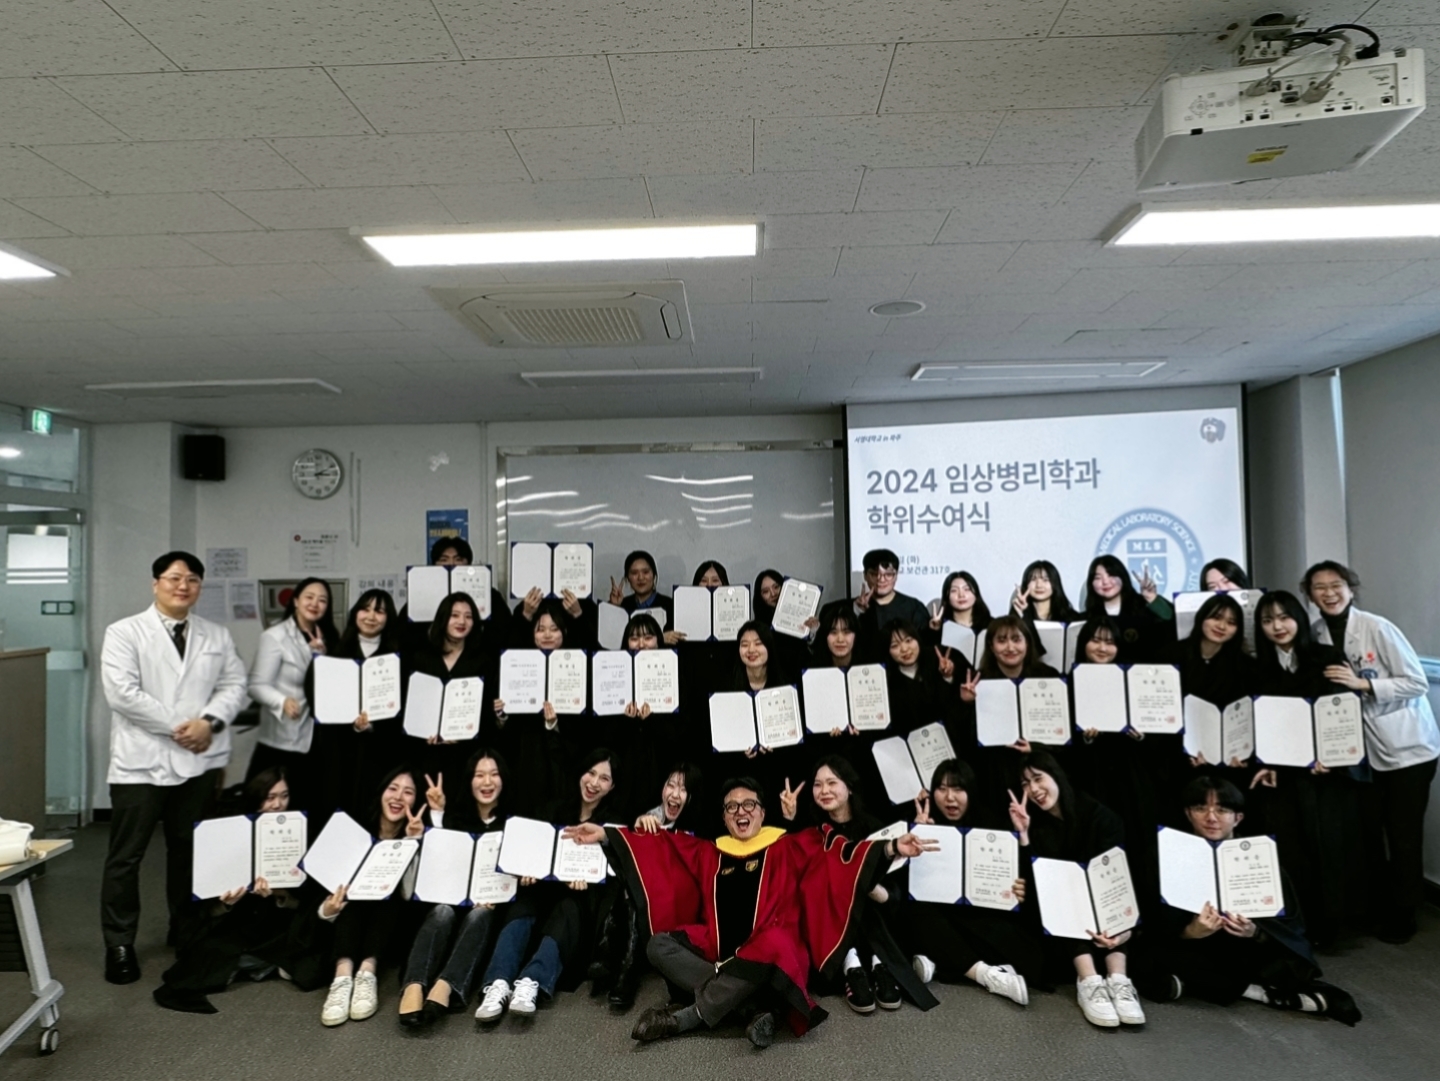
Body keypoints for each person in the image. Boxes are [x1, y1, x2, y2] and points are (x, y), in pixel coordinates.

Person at [565, 777, 938, 1047]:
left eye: (748, 805)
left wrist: (891, 849)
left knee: (776, 941)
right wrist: (605, 834)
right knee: (658, 945)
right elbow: (663, 849)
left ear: (762, 812)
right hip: (718, 946)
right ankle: (750, 1006)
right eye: (732, 807)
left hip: (773, 949)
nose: (740, 812)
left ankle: (687, 1018)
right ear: (724, 817)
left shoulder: (788, 845)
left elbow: (837, 855)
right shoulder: (710, 851)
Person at [99, 550, 248, 985]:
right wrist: (182, 727)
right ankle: (119, 943)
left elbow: (234, 685)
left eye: (193, 580)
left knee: (188, 851)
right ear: (156, 583)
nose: (183, 586)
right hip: (140, 762)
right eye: (174, 578)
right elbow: (122, 693)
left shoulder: (216, 635)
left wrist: (210, 722)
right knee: (126, 856)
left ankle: (185, 930)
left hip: (197, 762)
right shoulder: (124, 632)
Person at [1139, 777, 1360, 1025]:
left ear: (1238, 817)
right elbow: (1152, 919)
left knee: (1288, 962)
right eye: (1201, 808)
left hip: (1243, 949)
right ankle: (1258, 992)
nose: (1211, 817)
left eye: (1222, 810)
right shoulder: (1166, 855)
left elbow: (1290, 926)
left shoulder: (1260, 857)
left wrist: (1255, 932)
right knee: (1143, 955)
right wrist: (1189, 932)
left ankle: (1200, 983)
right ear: (1188, 813)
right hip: (1191, 946)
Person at [1304, 560, 1440, 944]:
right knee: (1368, 833)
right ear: (1310, 595)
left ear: (1351, 589)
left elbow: (1416, 682)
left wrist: (1364, 685)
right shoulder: (1316, 632)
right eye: (1319, 587)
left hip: (1407, 749)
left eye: (1336, 585)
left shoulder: (1378, 628)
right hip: (1360, 751)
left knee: (1403, 834)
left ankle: (1405, 913)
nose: (1329, 593)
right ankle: (1381, 905)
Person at [153, 768, 330, 1012]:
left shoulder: (298, 830)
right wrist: (227, 903)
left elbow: (305, 904)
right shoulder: (227, 830)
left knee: (313, 945)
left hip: (276, 923)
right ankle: (263, 965)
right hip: (236, 923)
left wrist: (281, 895)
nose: (278, 805)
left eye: (284, 796)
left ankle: (249, 966)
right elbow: (203, 909)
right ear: (256, 796)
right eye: (270, 797)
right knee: (209, 949)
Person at [779, 756, 938, 1014]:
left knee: (862, 890)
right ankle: (852, 963)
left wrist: (862, 882)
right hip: (828, 914)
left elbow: (892, 892)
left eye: (832, 782)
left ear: (849, 787)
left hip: (875, 905)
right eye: (818, 784)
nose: (824, 790)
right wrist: (790, 820)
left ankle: (877, 963)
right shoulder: (815, 829)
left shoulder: (876, 829)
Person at [1251, 590, 1368, 944]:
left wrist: (1331, 756)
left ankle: (1334, 925)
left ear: (1299, 619)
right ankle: (1303, 924)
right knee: (1292, 848)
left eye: (1284, 617)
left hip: (1327, 772)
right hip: (1286, 772)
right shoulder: (1259, 668)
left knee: (1330, 846)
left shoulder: (1325, 657)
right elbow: (1262, 723)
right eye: (1268, 620)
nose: (1277, 626)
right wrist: (1268, 762)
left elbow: (1343, 709)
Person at [473, 751, 624, 1023]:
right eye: (590, 773)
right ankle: (497, 983)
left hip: (579, 898)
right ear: (580, 774)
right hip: (541, 889)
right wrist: (526, 871)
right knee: (523, 904)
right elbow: (530, 850)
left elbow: (612, 876)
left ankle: (531, 982)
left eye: (604, 778)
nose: (594, 783)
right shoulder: (551, 810)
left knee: (570, 907)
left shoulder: (611, 823)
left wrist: (584, 879)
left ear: (612, 786)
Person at [1010, 750, 1146, 1029]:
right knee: (1062, 895)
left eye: (1038, 778)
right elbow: (1037, 886)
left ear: (1056, 776)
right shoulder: (1035, 824)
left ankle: (1119, 980)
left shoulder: (1099, 816)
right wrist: (1023, 835)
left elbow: (1117, 878)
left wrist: (1121, 929)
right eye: (1025, 784)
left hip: (1106, 902)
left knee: (1114, 897)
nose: (1033, 789)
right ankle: (1089, 980)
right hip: (1064, 913)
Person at [906, 758, 1038, 1003]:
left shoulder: (992, 824)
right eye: (942, 789)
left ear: (971, 791)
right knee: (916, 914)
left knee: (1022, 944)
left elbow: (1018, 882)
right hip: (941, 913)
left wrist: (1019, 887)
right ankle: (987, 975)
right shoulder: (925, 822)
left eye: (958, 789)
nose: (950, 798)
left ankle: (941, 961)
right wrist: (920, 835)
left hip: (981, 916)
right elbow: (912, 885)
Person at [397, 749, 511, 1028]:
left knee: (481, 915)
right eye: (479, 775)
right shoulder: (457, 818)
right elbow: (439, 860)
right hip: (450, 899)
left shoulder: (512, 822)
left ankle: (447, 985)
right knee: (442, 911)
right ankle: (414, 984)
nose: (487, 782)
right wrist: (437, 813)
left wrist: (495, 895)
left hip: (489, 906)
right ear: (470, 780)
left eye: (494, 774)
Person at [317, 766, 429, 1026]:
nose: (398, 797)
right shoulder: (355, 833)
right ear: (381, 792)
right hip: (345, 922)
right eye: (393, 788)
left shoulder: (415, 835)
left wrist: (412, 842)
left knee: (386, 891)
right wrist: (328, 909)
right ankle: (342, 977)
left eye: (408, 792)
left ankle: (367, 974)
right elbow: (326, 896)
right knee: (353, 891)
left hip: (390, 924)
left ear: (416, 801)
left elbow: (409, 894)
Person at [306, 588, 404, 825]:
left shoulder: (396, 659)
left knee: (372, 811)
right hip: (339, 750)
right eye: (365, 609)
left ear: (388, 617)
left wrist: (372, 726)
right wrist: (317, 661)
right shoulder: (336, 652)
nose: (371, 617)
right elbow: (315, 697)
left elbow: (403, 709)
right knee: (337, 809)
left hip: (379, 752)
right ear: (355, 613)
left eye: (379, 611)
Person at [246, 577, 339, 803]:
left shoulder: (331, 636)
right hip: (282, 738)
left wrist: (320, 654)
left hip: (318, 738)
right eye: (309, 597)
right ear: (296, 601)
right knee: (273, 803)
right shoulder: (275, 636)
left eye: (322, 600)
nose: (315, 603)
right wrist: (282, 701)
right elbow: (255, 685)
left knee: (311, 803)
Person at [493, 599, 582, 817]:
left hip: (561, 764)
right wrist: (502, 715)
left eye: (554, 628)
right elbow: (506, 733)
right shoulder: (518, 665)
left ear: (565, 632)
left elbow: (583, 731)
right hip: (526, 759)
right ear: (532, 634)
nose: (547, 635)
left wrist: (555, 725)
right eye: (540, 629)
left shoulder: (578, 667)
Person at [408, 592, 495, 808]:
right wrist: (422, 731)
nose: (461, 621)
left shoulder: (483, 661)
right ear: (443, 618)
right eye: (455, 615)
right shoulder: (421, 659)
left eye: (468, 616)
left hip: (467, 755)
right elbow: (412, 709)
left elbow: (487, 715)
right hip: (426, 753)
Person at [1082, 554, 1173, 663]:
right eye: (1098, 578)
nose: (1105, 582)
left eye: (1111, 575)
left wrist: (1152, 599)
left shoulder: (1142, 607)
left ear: (1122, 577)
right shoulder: (1089, 617)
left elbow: (1171, 623)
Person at [854, 548, 929, 637]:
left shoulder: (914, 608)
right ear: (865, 576)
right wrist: (857, 611)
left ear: (896, 576)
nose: (881, 579)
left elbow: (926, 640)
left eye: (888, 574)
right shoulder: (852, 608)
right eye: (874, 574)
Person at [608, 549, 674, 631]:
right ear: (627, 578)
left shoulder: (671, 606)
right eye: (634, 573)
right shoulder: (622, 605)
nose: (641, 578)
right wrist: (614, 607)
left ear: (654, 575)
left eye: (645, 572)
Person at [1011, 560, 1080, 626]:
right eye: (1033, 579)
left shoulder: (1071, 618)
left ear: (1055, 584)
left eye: (1045, 580)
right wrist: (1020, 613)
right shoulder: (1019, 613)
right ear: (1026, 584)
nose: (1039, 585)